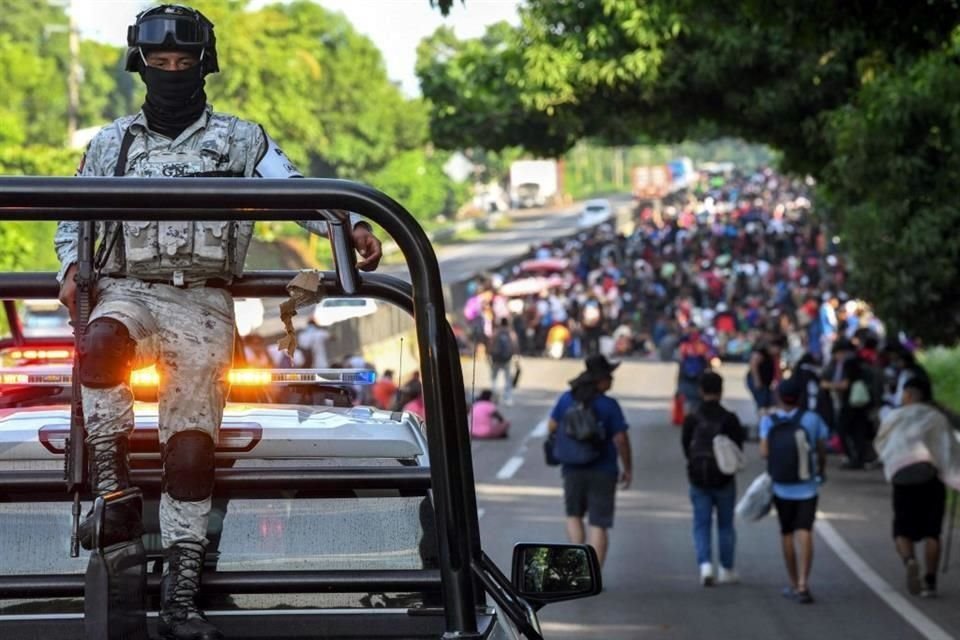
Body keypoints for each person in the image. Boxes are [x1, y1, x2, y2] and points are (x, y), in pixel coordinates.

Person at [53, 6, 383, 639]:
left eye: (183, 63)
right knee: (99, 346)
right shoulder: (108, 143)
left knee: (191, 456)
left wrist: (352, 226)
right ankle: (114, 489)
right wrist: (71, 267)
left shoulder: (242, 140)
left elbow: (298, 193)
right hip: (129, 290)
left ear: (204, 65)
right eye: (161, 63)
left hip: (204, 304)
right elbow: (71, 218)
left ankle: (181, 597)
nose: (172, 73)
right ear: (141, 65)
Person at [874, 376, 960, 598]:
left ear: (909, 395)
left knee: (902, 529)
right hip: (931, 476)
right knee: (933, 531)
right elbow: (948, 448)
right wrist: (954, 474)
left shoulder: (895, 417)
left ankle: (910, 560)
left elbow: (882, 443)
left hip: (902, 476)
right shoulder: (937, 418)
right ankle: (930, 581)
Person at [548, 355, 632, 567]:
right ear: (600, 379)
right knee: (599, 524)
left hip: (572, 467)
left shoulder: (567, 399)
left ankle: (577, 568)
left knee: (573, 515)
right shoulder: (609, 405)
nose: (612, 380)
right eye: (609, 376)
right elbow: (621, 439)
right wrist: (627, 468)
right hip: (603, 469)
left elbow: (551, 426)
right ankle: (593, 574)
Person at [760, 376, 829, 604]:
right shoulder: (811, 419)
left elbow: (764, 452)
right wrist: (820, 469)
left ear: (779, 397)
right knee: (805, 530)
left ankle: (791, 581)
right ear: (800, 397)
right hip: (807, 485)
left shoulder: (769, 421)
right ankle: (803, 583)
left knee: (787, 532)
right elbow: (821, 448)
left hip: (781, 486)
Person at [681, 372, 745, 586]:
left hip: (698, 476)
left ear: (700, 390)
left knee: (701, 523)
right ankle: (727, 568)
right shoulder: (730, 418)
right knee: (726, 524)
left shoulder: (693, 417)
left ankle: (705, 565)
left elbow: (685, 444)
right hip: (724, 477)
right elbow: (738, 448)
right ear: (721, 390)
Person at [488, 317, 518, 406]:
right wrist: (516, 356)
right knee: (508, 379)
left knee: (494, 378)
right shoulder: (511, 332)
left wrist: (489, 354)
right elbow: (515, 344)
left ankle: (495, 396)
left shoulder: (496, 332)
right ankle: (507, 398)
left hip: (496, 359)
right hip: (507, 359)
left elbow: (491, 343)